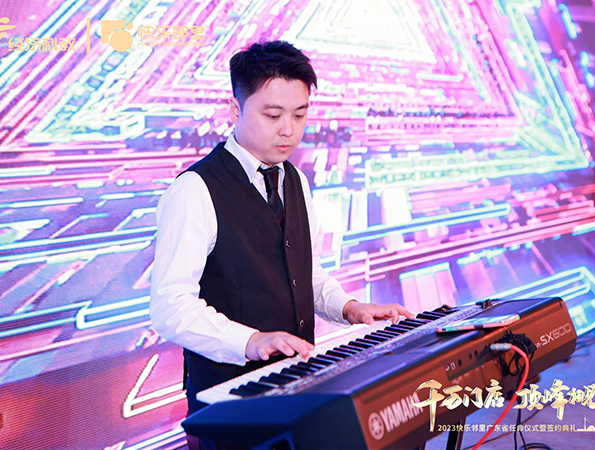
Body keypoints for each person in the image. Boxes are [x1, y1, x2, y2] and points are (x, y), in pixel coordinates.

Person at [150, 40, 413, 425]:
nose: (288, 130)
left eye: (300, 115)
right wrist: (250, 341)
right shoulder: (194, 189)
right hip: (230, 405)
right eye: (272, 115)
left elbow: (305, 273)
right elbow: (170, 306)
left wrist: (349, 308)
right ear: (235, 108)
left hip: (296, 388)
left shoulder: (295, 180)